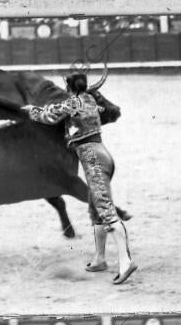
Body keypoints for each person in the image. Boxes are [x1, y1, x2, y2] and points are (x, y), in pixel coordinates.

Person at [21, 72, 136, 283]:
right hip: (103, 155)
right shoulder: (90, 99)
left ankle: (125, 262)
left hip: (92, 159)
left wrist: (32, 111)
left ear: (69, 87)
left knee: (107, 212)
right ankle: (100, 259)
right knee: (95, 209)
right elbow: (101, 110)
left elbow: (50, 115)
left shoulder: (73, 102)